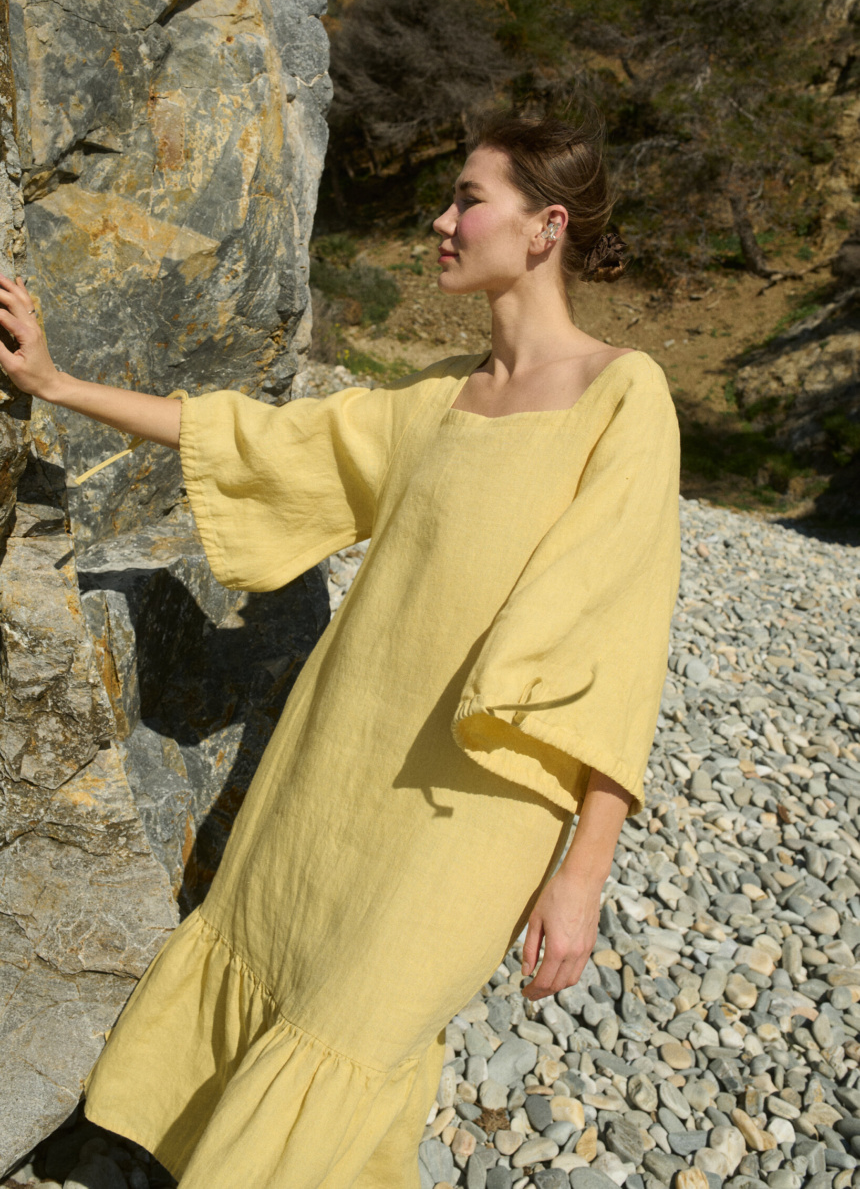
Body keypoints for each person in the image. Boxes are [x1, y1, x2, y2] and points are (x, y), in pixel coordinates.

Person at [0, 107, 681, 1189]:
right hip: (338, 761)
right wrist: (60, 384)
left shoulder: (622, 395)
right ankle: (161, 1140)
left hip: (480, 806)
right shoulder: (433, 406)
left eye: (468, 198)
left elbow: (621, 634)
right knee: (273, 949)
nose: (441, 219)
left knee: (360, 1025)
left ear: (544, 227)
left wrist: (580, 874)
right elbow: (256, 439)